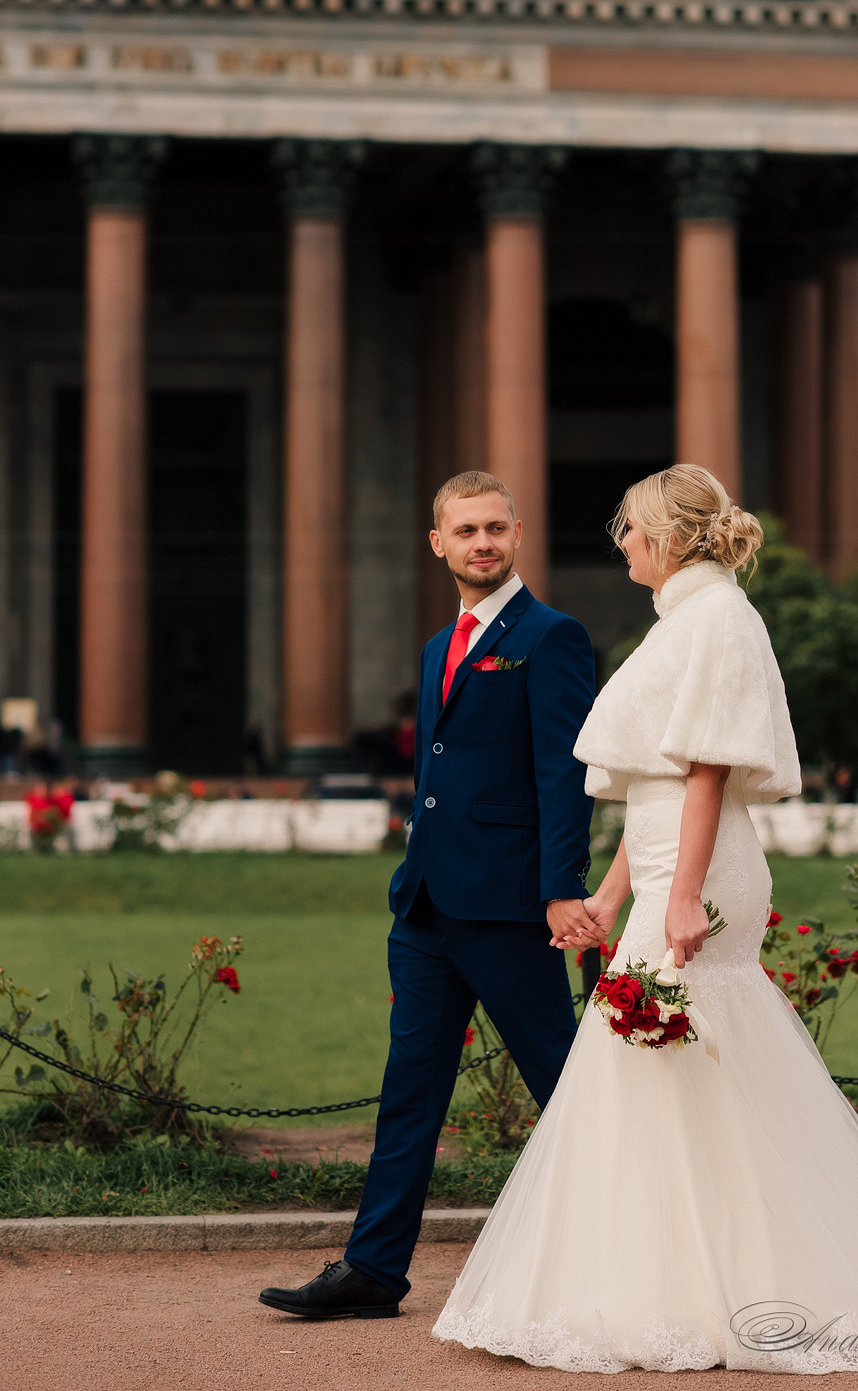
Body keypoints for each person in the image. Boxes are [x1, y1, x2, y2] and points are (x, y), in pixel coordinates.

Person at [433, 464, 858, 1373]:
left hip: (703, 872)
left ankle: (727, 1287)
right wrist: (614, 895)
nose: (624, 544)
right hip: (665, 866)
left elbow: (708, 773)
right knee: (679, 1072)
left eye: (634, 530)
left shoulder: (719, 617)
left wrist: (680, 896)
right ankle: (694, 1275)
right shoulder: (686, 619)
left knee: (665, 1059)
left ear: (673, 538)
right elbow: (655, 781)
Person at [260, 470, 603, 1320]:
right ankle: (373, 1270)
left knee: (572, 1087)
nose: (481, 543)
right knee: (409, 1092)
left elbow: (566, 776)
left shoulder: (551, 636)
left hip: (512, 909)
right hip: (424, 911)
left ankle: (644, 1247)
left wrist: (561, 889)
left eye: (495, 528)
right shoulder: (435, 645)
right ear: (438, 543)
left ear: (518, 534)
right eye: (465, 530)